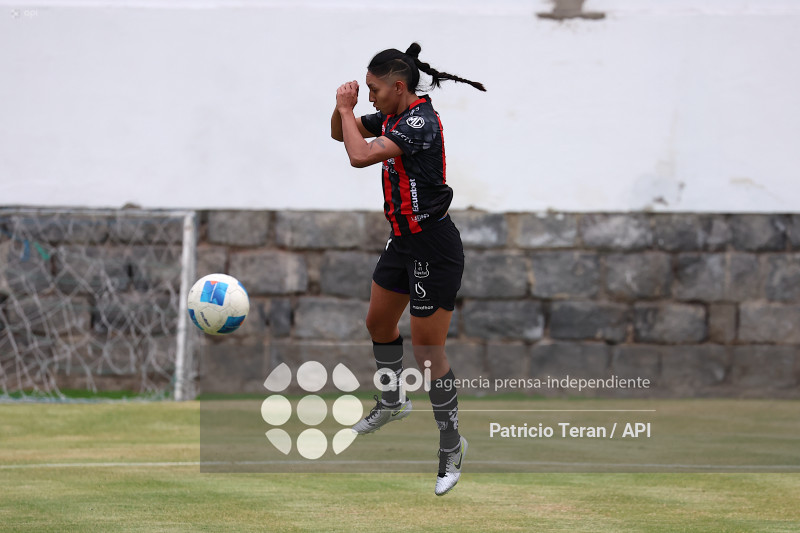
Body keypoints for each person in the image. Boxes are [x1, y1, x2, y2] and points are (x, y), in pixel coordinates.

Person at [331, 42, 485, 496]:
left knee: (427, 353)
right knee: (378, 322)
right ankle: (393, 399)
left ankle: (451, 447)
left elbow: (359, 156)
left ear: (399, 87)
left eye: (375, 90)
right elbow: (342, 135)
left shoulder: (419, 122)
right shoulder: (394, 114)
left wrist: (346, 110)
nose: (370, 97)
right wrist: (341, 108)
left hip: (434, 247)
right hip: (403, 241)